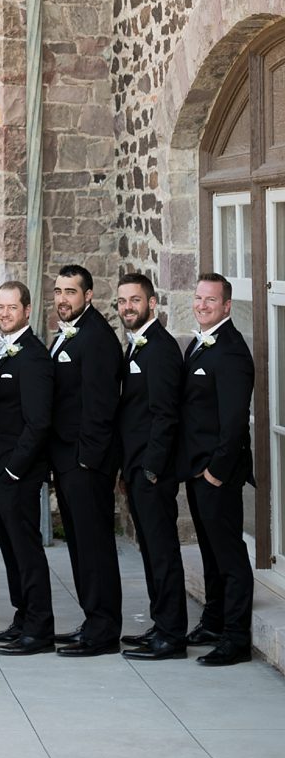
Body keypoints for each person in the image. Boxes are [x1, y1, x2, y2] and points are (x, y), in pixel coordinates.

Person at [179, 272, 256, 667]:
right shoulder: (204, 341)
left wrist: (215, 472)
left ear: (227, 306)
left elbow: (234, 423)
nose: (203, 305)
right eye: (199, 298)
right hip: (198, 470)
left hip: (217, 474)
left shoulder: (231, 352)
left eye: (211, 300)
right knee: (209, 552)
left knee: (229, 555)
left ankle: (236, 637)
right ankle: (213, 620)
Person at [50, 264, 125, 657]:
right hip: (67, 461)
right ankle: (92, 619)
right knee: (80, 546)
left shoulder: (96, 338)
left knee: (94, 547)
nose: (62, 298)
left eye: (71, 292)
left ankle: (104, 629)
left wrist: (85, 463)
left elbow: (101, 408)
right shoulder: (70, 333)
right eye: (59, 291)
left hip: (85, 464)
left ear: (89, 295)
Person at [115, 272, 187, 660]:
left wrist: (150, 471)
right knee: (150, 550)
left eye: (135, 300)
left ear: (152, 303)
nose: (128, 307)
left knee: (162, 551)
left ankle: (172, 635)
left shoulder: (159, 348)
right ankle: (161, 623)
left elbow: (165, 416)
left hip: (152, 472)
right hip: (137, 469)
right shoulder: (136, 346)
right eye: (123, 301)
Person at [0, 281, 54, 655]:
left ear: (27, 310)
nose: (5, 314)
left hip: (18, 474)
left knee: (26, 550)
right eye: (0, 307)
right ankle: (23, 616)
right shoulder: (1, 351)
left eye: (12, 307)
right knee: (10, 549)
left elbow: (39, 422)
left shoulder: (34, 357)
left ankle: (40, 628)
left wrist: (13, 470)